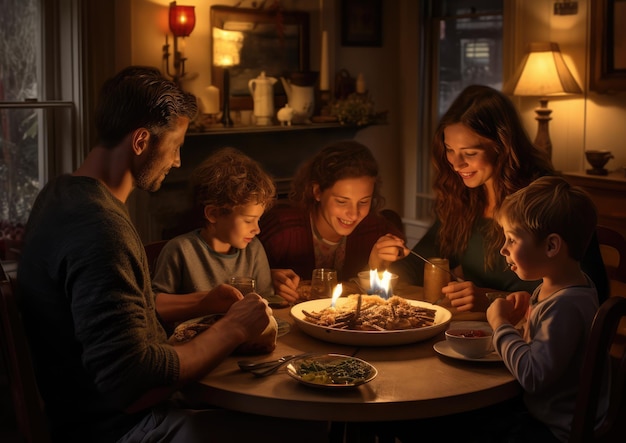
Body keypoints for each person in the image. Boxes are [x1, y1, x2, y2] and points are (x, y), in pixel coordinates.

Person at [17, 66, 327, 442]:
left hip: (94, 413)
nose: (178, 160)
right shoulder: (100, 228)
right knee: (308, 428)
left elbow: (126, 313)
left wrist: (205, 302)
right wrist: (233, 328)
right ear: (141, 141)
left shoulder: (61, 195)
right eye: (176, 145)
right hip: (122, 428)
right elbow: (135, 384)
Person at [388, 84, 608, 312]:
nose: (456, 163)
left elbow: (588, 297)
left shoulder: (545, 200)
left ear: (502, 146)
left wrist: (491, 300)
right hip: (481, 331)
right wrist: (383, 261)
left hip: (537, 337)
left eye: (470, 153)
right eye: (449, 149)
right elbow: (417, 263)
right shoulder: (464, 197)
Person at [482, 175, 606, 442]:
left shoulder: (565, 306)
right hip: (543, 414)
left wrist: (500, 324)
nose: (503, 249)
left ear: (551, 246)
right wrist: (525, 319)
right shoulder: (564, 287)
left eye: (512, 240)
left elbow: (533, 375)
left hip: (553, 430)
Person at [258, 140, 406, 303]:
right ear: (317, 192)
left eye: (363, 202)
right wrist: (267, 277)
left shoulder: (375, 230)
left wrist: (381, 262)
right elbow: (240, 274)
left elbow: (404, 268)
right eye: (342, 201)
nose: (353, 214)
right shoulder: (281, 230)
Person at [152, 147, 285, 306]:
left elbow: (265, 303)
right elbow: (156, 304)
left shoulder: (254, 250)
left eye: (258, 220)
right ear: (213, 214)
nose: (257, 229)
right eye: (249, 220)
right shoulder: (180, 250)